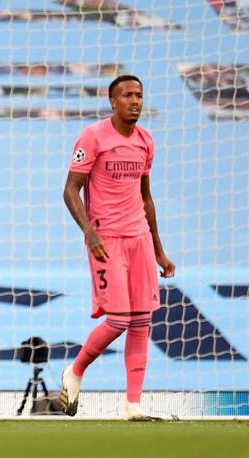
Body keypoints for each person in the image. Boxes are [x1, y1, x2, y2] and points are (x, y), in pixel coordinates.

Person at [60, 75, 175, 421]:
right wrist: (89, 234)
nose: (135, 101)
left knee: (141, 320)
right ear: (113, 101)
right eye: (127, 95)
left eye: (139, 95)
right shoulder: (93, 137)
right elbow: (70, 189)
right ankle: (75, 371)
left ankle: (133, 406)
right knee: (120, 319)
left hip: (139, 237)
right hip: (106, 240)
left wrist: (159, 250)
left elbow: (146, 197)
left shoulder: (145, 142)